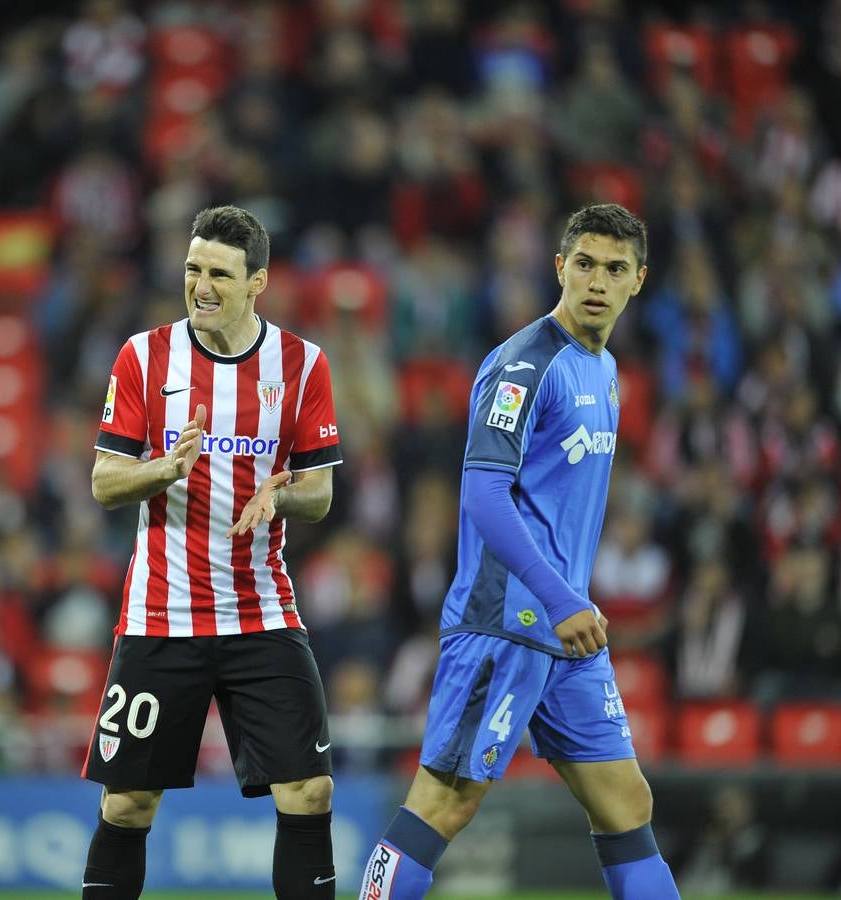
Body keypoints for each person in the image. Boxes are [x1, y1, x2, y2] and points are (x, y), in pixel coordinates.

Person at [357, 204, 681, 899]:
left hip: (565, 632)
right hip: (506, 619)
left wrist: (567, 605)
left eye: (615, 269)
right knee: (445, 801)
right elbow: (482, 498)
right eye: (585, 264)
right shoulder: (524, 366)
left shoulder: (606, 371)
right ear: (560, 267)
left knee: (626, 803)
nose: (598, 281)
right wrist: (563, 598)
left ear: (638, 282)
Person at [82, 205, 343, 899]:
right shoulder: (143, 356)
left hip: (261, 613)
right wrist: (163, 469)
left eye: (219, 274)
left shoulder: (302, 364)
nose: (201, 285)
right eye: (193, 269)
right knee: (127, 806)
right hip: (161, 620)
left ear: (258, 281)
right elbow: (106, 481)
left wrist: (279, 498)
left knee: (310, 791)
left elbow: (319, 492)